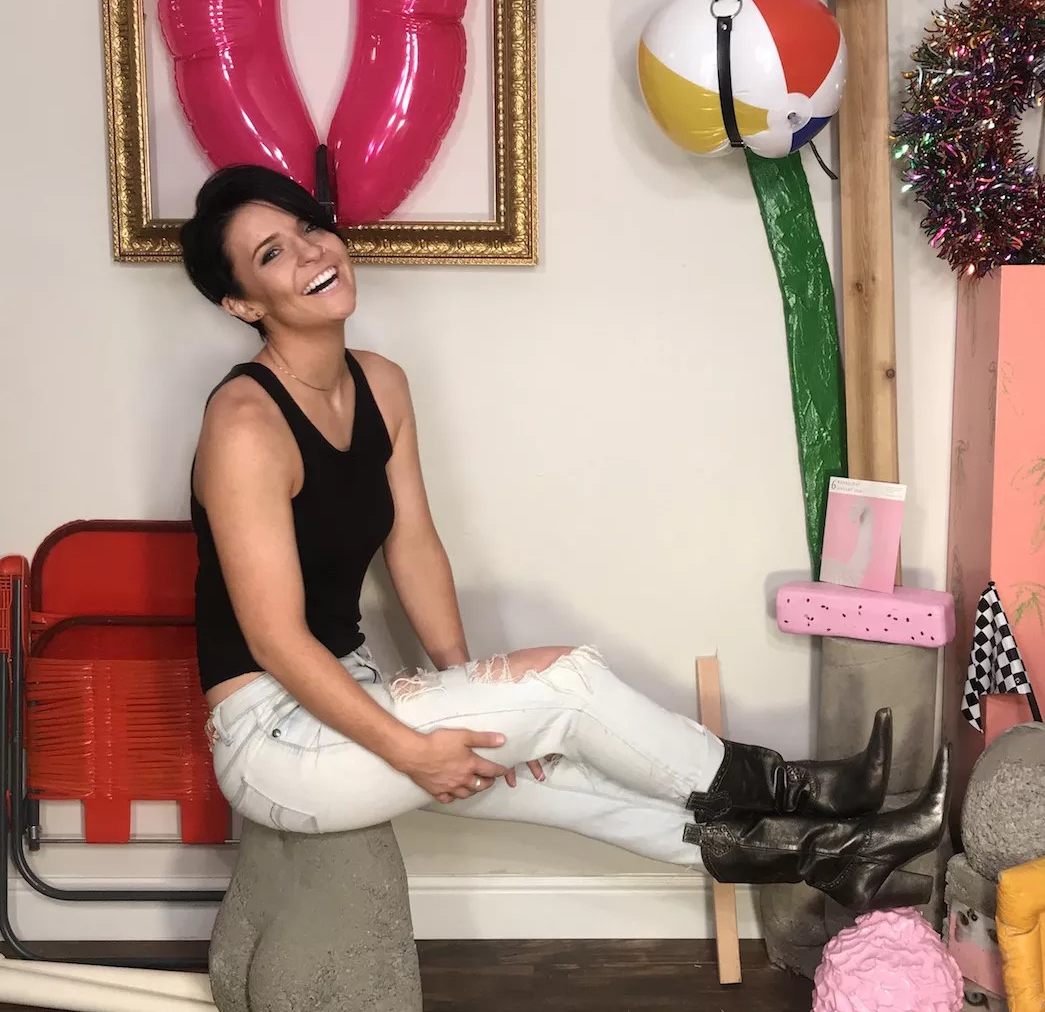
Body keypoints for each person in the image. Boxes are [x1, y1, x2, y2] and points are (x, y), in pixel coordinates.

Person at [181, 165, 948, 910]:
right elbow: (276, 639)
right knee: (569, 683)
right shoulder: (245, 425)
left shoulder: (381, 383)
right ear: (242, 303)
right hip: (272, 737)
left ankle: (835, 856)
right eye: (271, 253)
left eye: (308, 227)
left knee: (578, 782)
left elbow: (413, 545)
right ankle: (800, 786)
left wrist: (473, 689)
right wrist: (415, 750)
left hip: (353, 687)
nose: (311, 251)